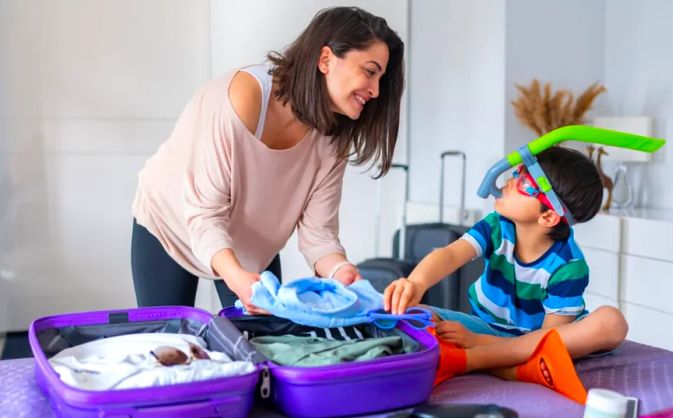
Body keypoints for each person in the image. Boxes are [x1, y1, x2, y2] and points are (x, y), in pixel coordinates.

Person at [131, 7, 405, 313]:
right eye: (369, 71)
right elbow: (205, 215)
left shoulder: (334, 135)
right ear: (326, 59)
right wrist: (237, 278)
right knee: (171, 342)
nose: (376, 91)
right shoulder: (244, 99)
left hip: (252, 244)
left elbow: (319, 235)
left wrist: (342, 272)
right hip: (174, 223)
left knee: (263, 348)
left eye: (381, 77)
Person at [383, 146, 629, 403]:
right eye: (518, 172)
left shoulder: (568, 267)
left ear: (547, 216)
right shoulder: (496, 226)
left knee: (612, 322)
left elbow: (546, 340)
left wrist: (478, 344)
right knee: (409, 314)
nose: (510, 181)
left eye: (523, 182)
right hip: (486, 327)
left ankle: (475, 360)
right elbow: (450, 255)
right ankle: (510, 367)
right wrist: (415, 282)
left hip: (534, 339)